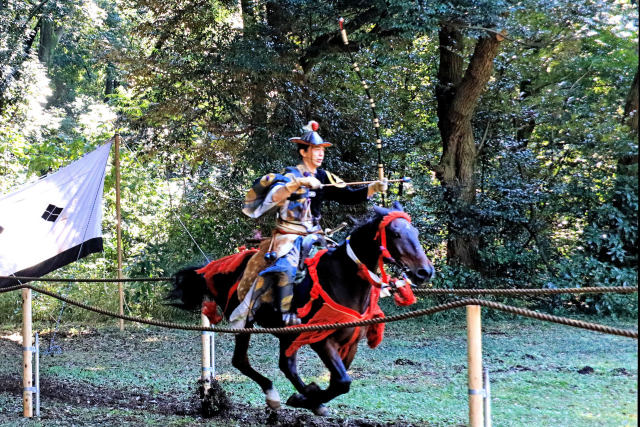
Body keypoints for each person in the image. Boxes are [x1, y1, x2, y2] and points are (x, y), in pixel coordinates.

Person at [238, 120, 387, 326]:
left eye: (322, 150)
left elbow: (349, 196)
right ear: (303, 152)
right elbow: (275, 195)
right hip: (289, 235)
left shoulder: (324, 176)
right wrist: (298, 183)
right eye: (316, 149)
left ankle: (335, 307)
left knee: (343, 262)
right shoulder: (290, 174)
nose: (321, 153)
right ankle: (285, 312)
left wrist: (373, 188)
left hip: (315, 234)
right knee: (287, 268)